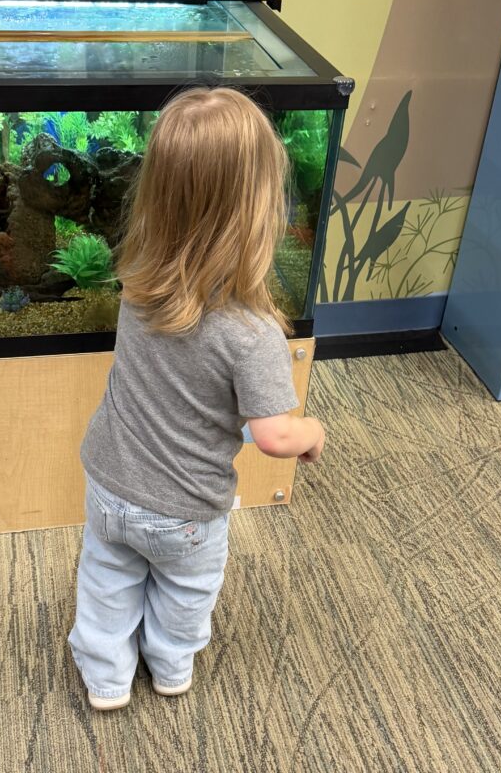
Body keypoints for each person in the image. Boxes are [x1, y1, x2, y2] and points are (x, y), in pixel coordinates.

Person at [68, 88, 326, 710]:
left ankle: (105, 677)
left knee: (106, 580)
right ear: (258, 206)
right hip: (186, 509)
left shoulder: (136, 284)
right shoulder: (252, 333)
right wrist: (313, 433)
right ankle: (170, 666)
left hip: (109, 482)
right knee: (186, 589)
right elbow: (273, 435)